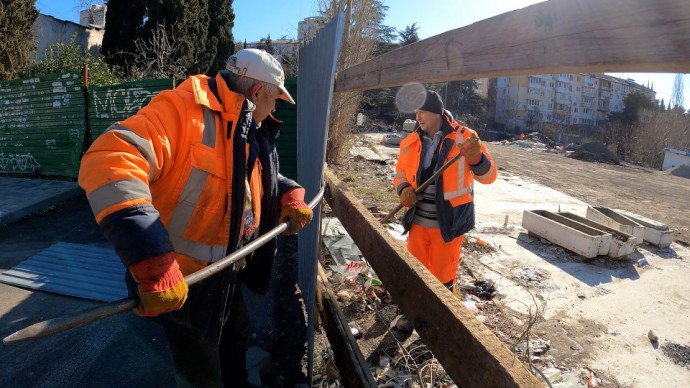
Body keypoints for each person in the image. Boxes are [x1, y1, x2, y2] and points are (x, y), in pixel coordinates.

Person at [78, 48, 313, 387]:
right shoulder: (182, 110)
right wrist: (153, 260)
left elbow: (248, 178)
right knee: (201, 374)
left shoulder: (246, 125)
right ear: (258, 91)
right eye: (275, 99)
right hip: (186, 285)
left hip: (227, 275)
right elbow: (110, 158)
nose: (274, 109)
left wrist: (286, 193)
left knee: (236, 337)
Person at [393, 91, 497, 330]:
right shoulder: (409, 142)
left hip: (448, 225)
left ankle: (438, 322)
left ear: (436, 112)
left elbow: (490, 176)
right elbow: (399, 174)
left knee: (443, 277)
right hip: (417, 222)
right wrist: (404, 189)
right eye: (416, 112)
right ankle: (412, 313)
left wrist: (476, 158)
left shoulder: (466, 138)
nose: (418, 116)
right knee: (415, 272)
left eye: (422, 111)